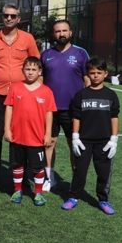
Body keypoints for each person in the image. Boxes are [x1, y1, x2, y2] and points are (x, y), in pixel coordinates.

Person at [0, 4, 40, 186]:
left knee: (22, 134)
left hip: (23, 94)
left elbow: (36, 61)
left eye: (13, 16)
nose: (9, 19)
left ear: (19, 18)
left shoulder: (28, 39)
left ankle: (23, 175)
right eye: (6, 15)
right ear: (2, 17)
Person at [62, 57, 120, 215]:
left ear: (105, 74)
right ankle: (74, 196)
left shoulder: (111, 95)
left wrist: (113, 140)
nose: (95, 76)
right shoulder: (81, 95)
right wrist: (75, 137)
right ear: (87, 74)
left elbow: (114, 118)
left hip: (104, 141)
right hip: (84, 140)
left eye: (99, 72)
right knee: (79, 170)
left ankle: (103, 199)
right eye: (92, 72)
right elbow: (77, 118)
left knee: (103, 172)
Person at [41, 20, 90, 191]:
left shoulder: (81, 53)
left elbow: (87, 79)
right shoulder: (46, 54)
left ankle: (75, 181)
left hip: (73, 110)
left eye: (64, 30)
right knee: (49, 143)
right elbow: (40, 80)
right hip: (50, 109)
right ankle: (49, 178)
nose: (61, 34)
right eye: (57, 31)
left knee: (74, 144)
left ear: (70, 32)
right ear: (53, 34)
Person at [4, 57, 56, 206]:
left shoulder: (46, 91)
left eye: (34, 70)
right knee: (17, 164)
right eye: (28, 69)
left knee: (37, 166)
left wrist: (47, 133)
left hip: (37, 137)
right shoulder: (15, 88)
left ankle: (38, 192)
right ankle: (17, 190)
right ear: (22, 71)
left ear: (40, 72)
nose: (30, 72)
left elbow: (49, 113)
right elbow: (9, 108)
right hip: (18, 135)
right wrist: (7, 129)